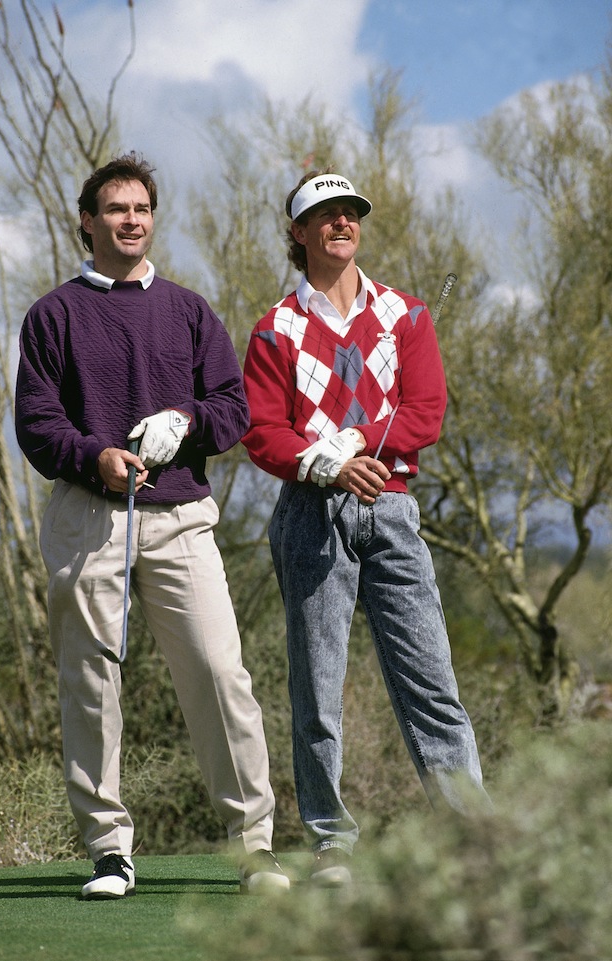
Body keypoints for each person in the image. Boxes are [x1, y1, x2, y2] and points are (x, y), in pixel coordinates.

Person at [15, 153, 289, 898]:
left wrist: (187, 420)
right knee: (91, 681)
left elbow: (233, 407)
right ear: (87, 220)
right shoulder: (53, 315)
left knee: (218, 670)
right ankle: (109, 849)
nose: (130, 220)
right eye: (115, 209)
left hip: (179, 518)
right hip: (88, 514)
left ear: (151, 218)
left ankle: (251, 846)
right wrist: (93, 455)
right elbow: (37, 425)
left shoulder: (190, 310)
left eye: (140, 209)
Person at [241, 169, 491, 887]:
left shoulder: (407, 314)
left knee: (431, 679)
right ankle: (330, 841)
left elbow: (426, 410)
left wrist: (352, 446)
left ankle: (475, 833)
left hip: (391, 504)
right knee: (318, 687)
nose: (340, 223)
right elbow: (263, 432)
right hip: (310, 515)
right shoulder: (275, 328)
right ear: (298, 233)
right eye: (324, 215)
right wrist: (321, 466)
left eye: (350, 212)